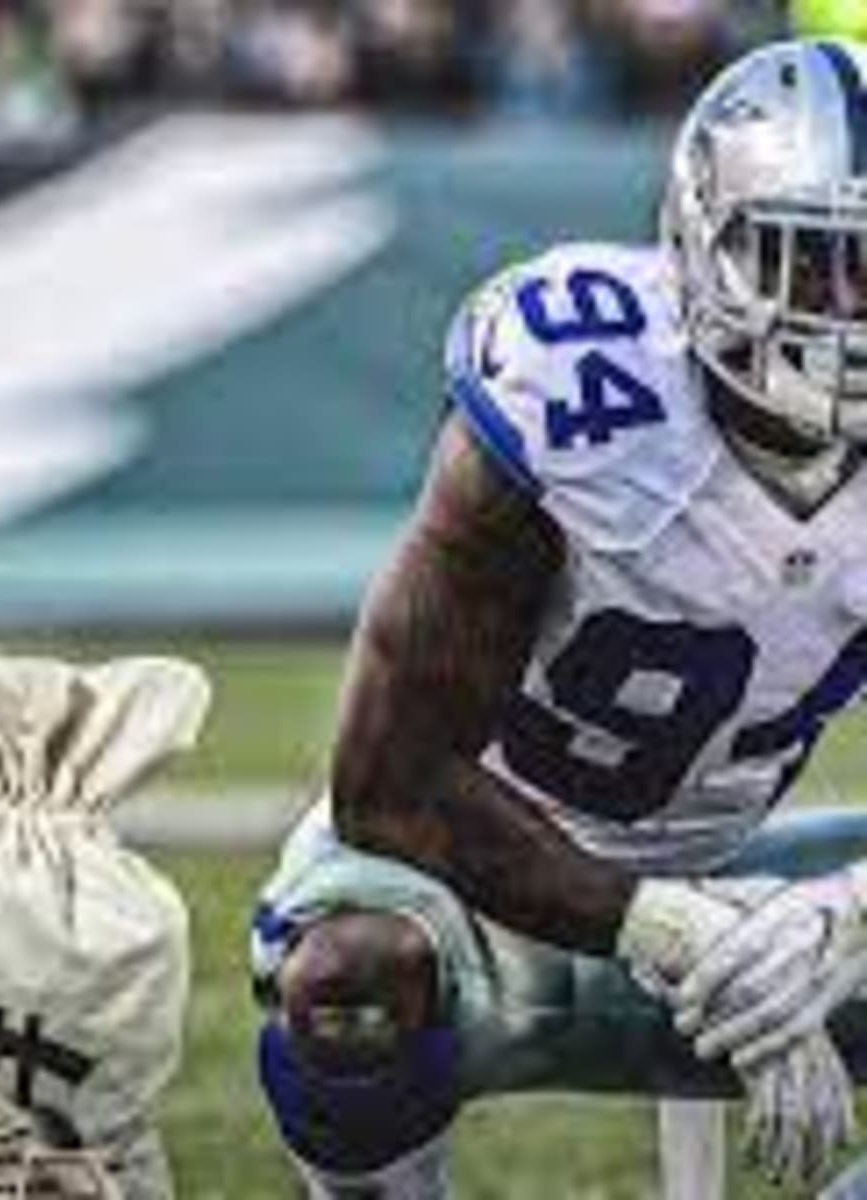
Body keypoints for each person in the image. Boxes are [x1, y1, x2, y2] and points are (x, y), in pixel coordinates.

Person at [251, 37, 867, 1199]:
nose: (853, 315)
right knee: (350, 975)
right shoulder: (582, 386)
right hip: (489, 880)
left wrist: (844, 919)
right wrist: (676, 933)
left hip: (755, 885)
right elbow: (391, 786)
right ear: (708, 243)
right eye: (818, 264)